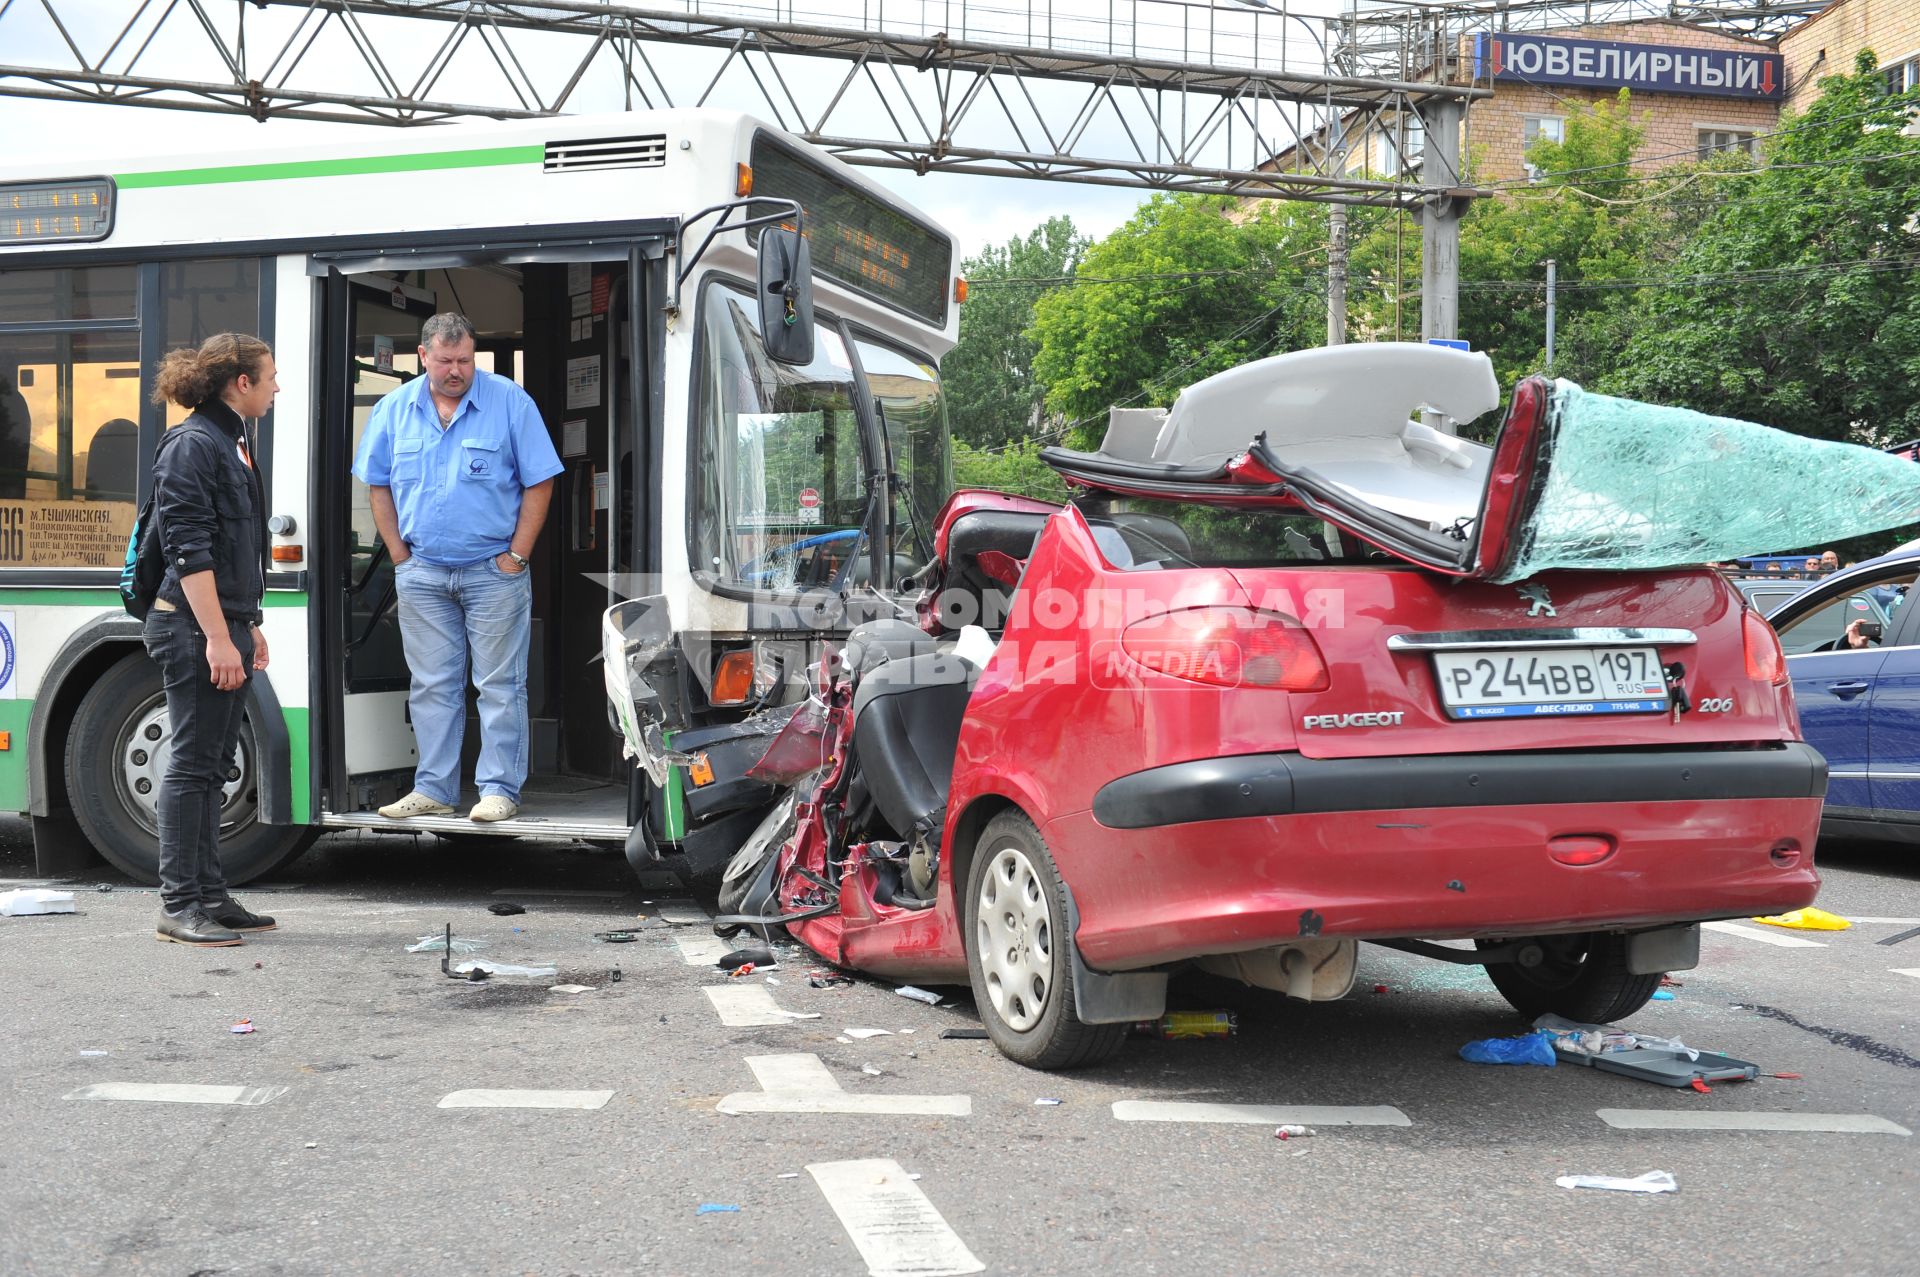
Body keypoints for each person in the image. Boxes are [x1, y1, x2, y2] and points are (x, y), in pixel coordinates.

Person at [353, 313, 562, 823]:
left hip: (494, 571)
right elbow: (377, 485)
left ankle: (498, 790)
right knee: (431, 686)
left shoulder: (510, 402)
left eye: (465, 360)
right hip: (423, 571)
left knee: (498, 685)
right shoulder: (393, 409)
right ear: (423, 356)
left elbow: (541, 482)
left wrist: (517, 555)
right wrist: (400, 556)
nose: (456, 370)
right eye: (445, 361)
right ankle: (435, 789)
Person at [146, 334, 279, 947]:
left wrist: (246, 626)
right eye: (270, 377)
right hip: (191, 626)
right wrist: (217, 637)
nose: (278, 387)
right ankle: (179, 904)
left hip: (222, 623)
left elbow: (234, 553)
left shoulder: (232, 441)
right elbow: (188, 550)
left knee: (214, 766)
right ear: (242, 383)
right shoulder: (193, 445)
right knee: (193, 766)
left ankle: (210, 895)